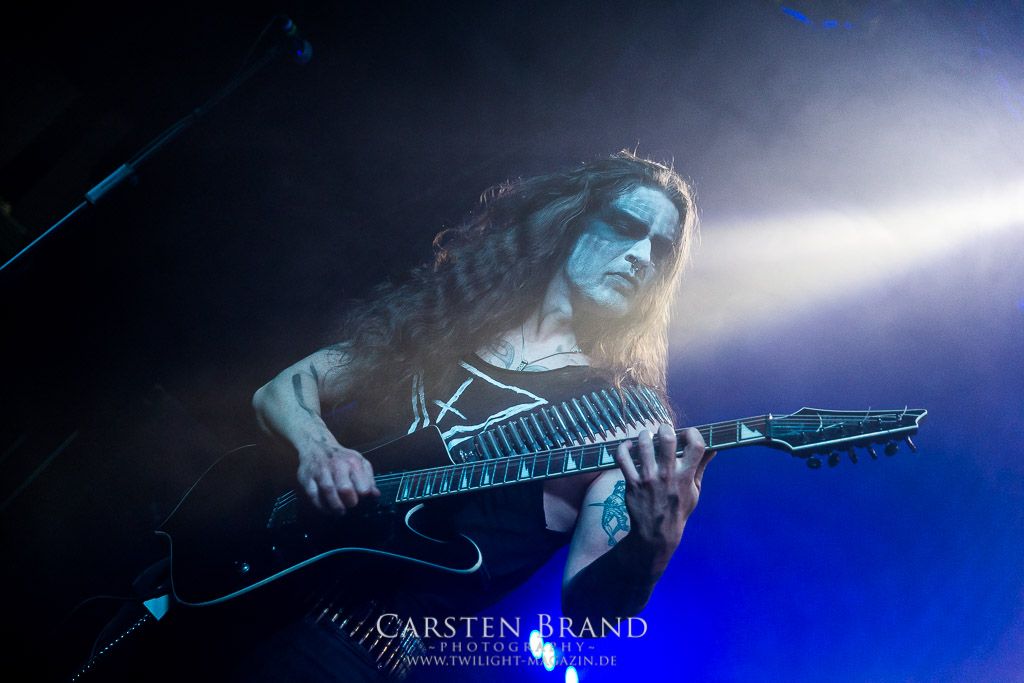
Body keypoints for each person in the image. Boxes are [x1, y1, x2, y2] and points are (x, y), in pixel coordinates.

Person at [245, 150, 714, 681]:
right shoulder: (448, 320)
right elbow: (280, 392)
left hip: (345, 648)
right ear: (570, 223)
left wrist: (652, 546)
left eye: (660, 249)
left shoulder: (626, 419)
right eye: (625, 227)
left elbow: (589, 617)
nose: (641, 257)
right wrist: (320, 450)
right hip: (245, 578)